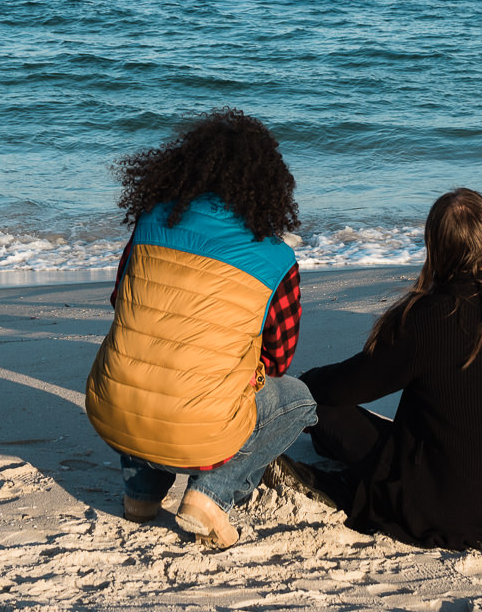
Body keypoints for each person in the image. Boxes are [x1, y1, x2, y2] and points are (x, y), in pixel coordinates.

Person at [296, 189, 482, 549]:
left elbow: (342, 389)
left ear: (435, 249)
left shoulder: (426, 319)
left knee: (320, 409)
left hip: (443, 510)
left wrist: (304, 384)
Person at [84, 109, 314, 550]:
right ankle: (211, 496)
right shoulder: (276, 258)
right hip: (203, 426)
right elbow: (280, 358)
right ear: (269, 182)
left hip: (112, 406)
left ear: (184, 166)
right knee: (298, 401)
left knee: (146, 356)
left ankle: (141, 494)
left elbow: (121, 302)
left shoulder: (150, 222)